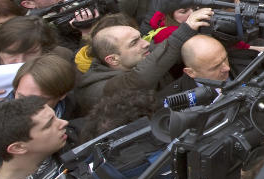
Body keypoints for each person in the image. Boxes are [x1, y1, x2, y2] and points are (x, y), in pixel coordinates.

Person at [75, 7, 212, 114]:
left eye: (140, 37)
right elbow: (137, 79)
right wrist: (185, 29)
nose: (145, 43)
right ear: (113, 59)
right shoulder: (96, 88)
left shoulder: (140, 54)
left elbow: (165, 51)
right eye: (134, 42)